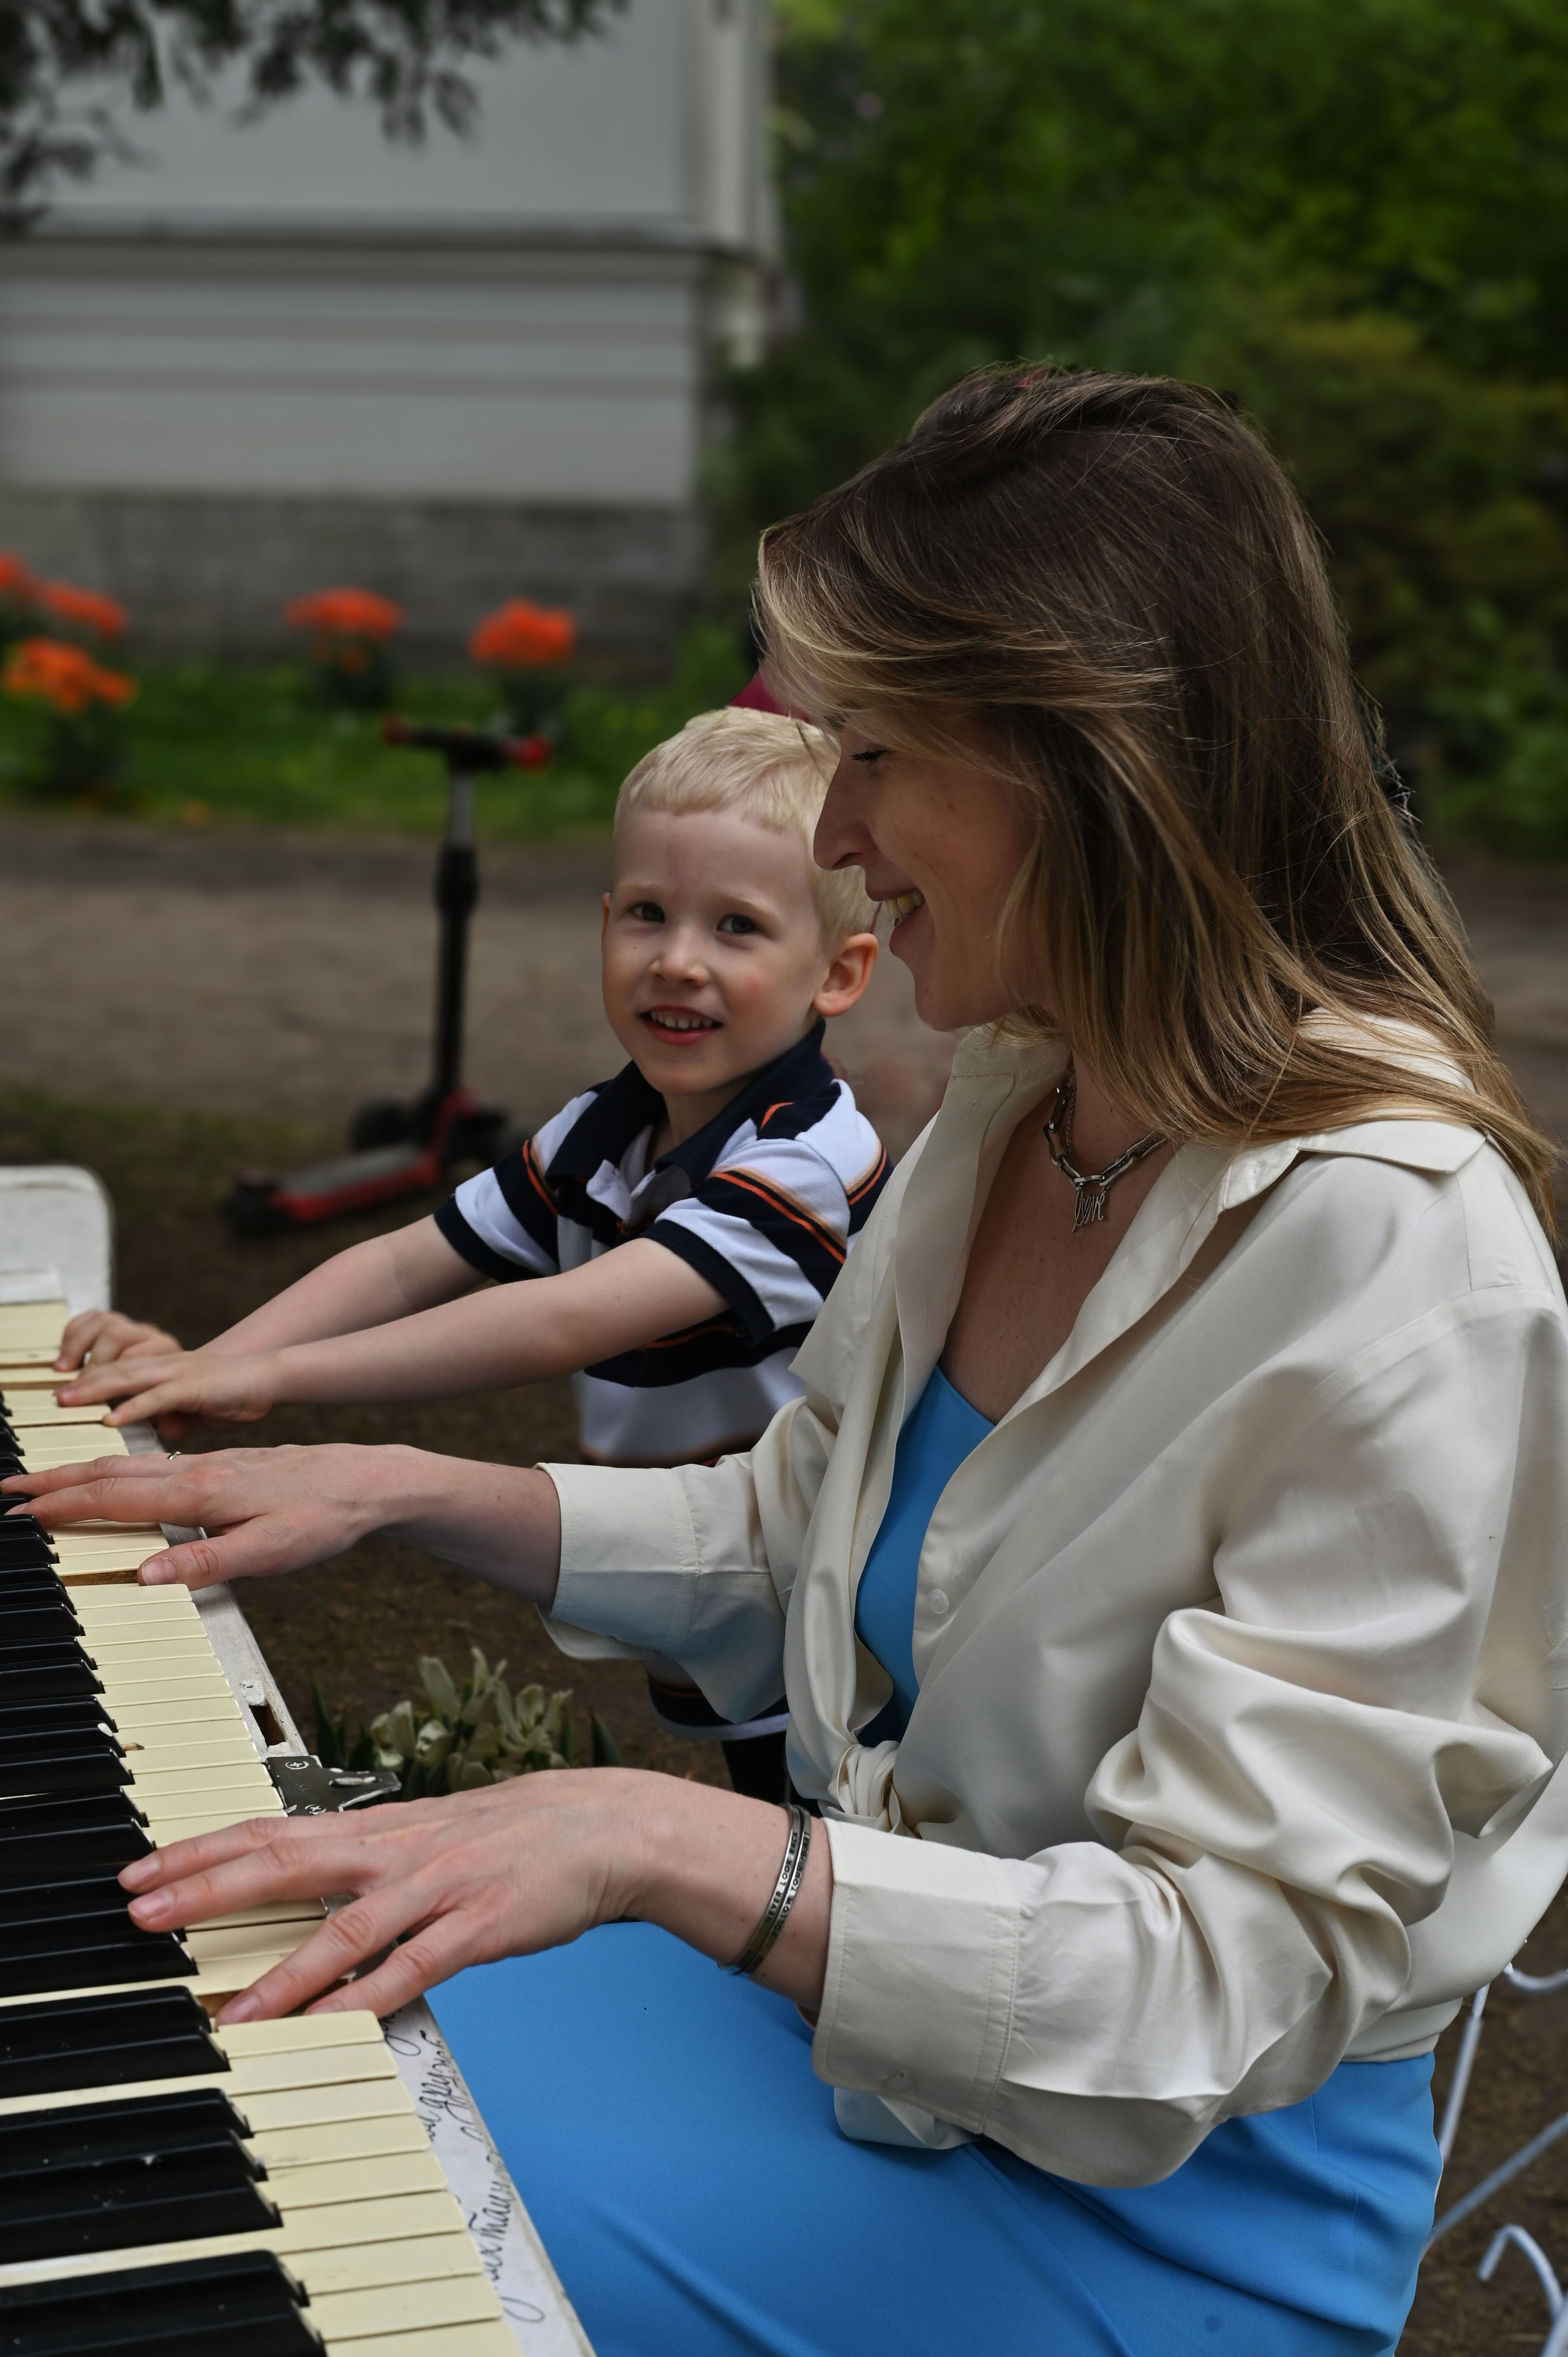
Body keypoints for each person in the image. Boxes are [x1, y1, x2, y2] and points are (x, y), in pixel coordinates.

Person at [13, 367, 1568, 2357]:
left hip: (1153, 2210)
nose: (835, 827)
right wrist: (390, 1485)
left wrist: (668, 1836)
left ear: (1089, 768)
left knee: (261, 2231)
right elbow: (799, 1527)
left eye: (879, 755)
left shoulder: (1397, 1247)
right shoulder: (1022, 1096)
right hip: (855, 2054)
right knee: (202, 2008)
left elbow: (1224, 1973)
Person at [53, 706, 886, 1798]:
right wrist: (209, 1370)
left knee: (815, 1827)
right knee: (753, 1795)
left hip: (823, 1595)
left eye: (736, 927)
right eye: (647, 913)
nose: (677, 961)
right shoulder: (607, 1128)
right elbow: (411, 1260)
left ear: (839, 973)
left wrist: (269, 1378)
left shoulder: (805, 1166)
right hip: (692, 1561)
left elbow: (561, 1317)